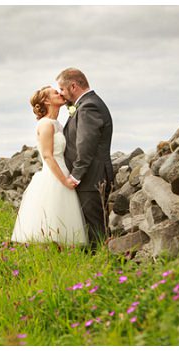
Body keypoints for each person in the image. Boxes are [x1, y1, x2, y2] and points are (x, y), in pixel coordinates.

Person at [11, 86, 88, 246]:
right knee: (51, 218)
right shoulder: (46, 124)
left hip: (64, 172)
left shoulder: (58, 124)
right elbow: (47, 155)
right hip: (54, 176)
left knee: (64, 217)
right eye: (55, 93)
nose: (60, 93)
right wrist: (64, 181)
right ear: (46, 101)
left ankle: (62, 255)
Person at [57, 68, 114, 252]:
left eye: (62, 89)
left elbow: (86, 145)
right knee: (89, 228)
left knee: (96, 230)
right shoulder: (87, 104)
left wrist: (76, 175)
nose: (61, 94)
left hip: (91, 178)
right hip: (90, 178)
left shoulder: (89, 106)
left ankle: (103, 271)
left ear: (73, 86)